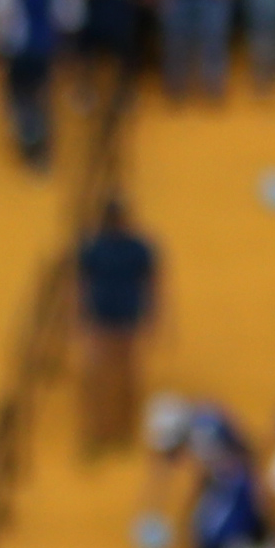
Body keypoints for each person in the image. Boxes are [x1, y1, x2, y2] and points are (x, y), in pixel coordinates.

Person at [73, 198, 162, 462]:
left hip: (126, 320)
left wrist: (152, 317)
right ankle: (98, 432)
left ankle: (125, 432)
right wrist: (78, 317)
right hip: (101, 320)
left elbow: (153, 284)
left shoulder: (137, 248)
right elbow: (81, 284)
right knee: (96, 378)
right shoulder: (94, 247)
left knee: (127, 378)